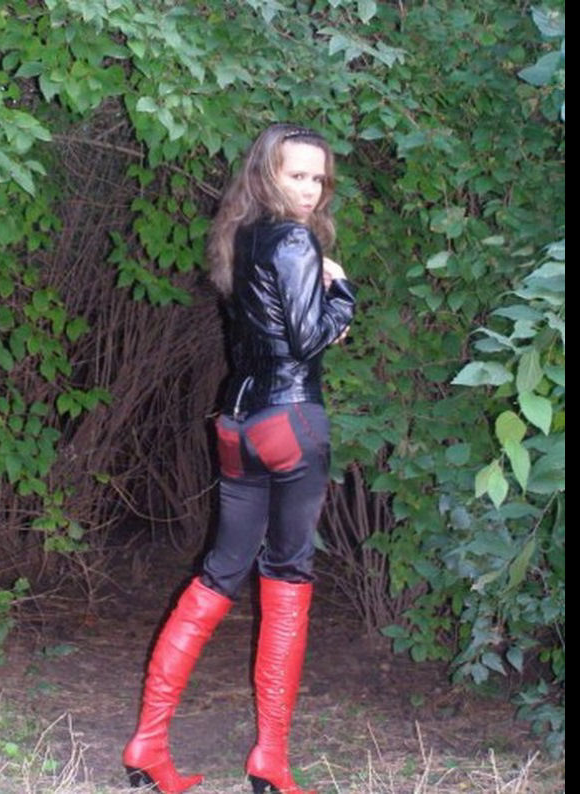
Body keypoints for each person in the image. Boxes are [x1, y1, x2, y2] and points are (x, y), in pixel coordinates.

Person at [121, 123, 358, 794]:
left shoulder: (239, 237)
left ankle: (148, 743)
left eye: (318, 178)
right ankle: (269, 759)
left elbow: (256, 334)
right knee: (287, 578)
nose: (309, 190)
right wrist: (342, 291)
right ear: (266, 174)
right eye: (296, 175)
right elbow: (309, 340)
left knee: (220, 573)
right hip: (291, 421)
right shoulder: (295, 241)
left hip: (238, 423)